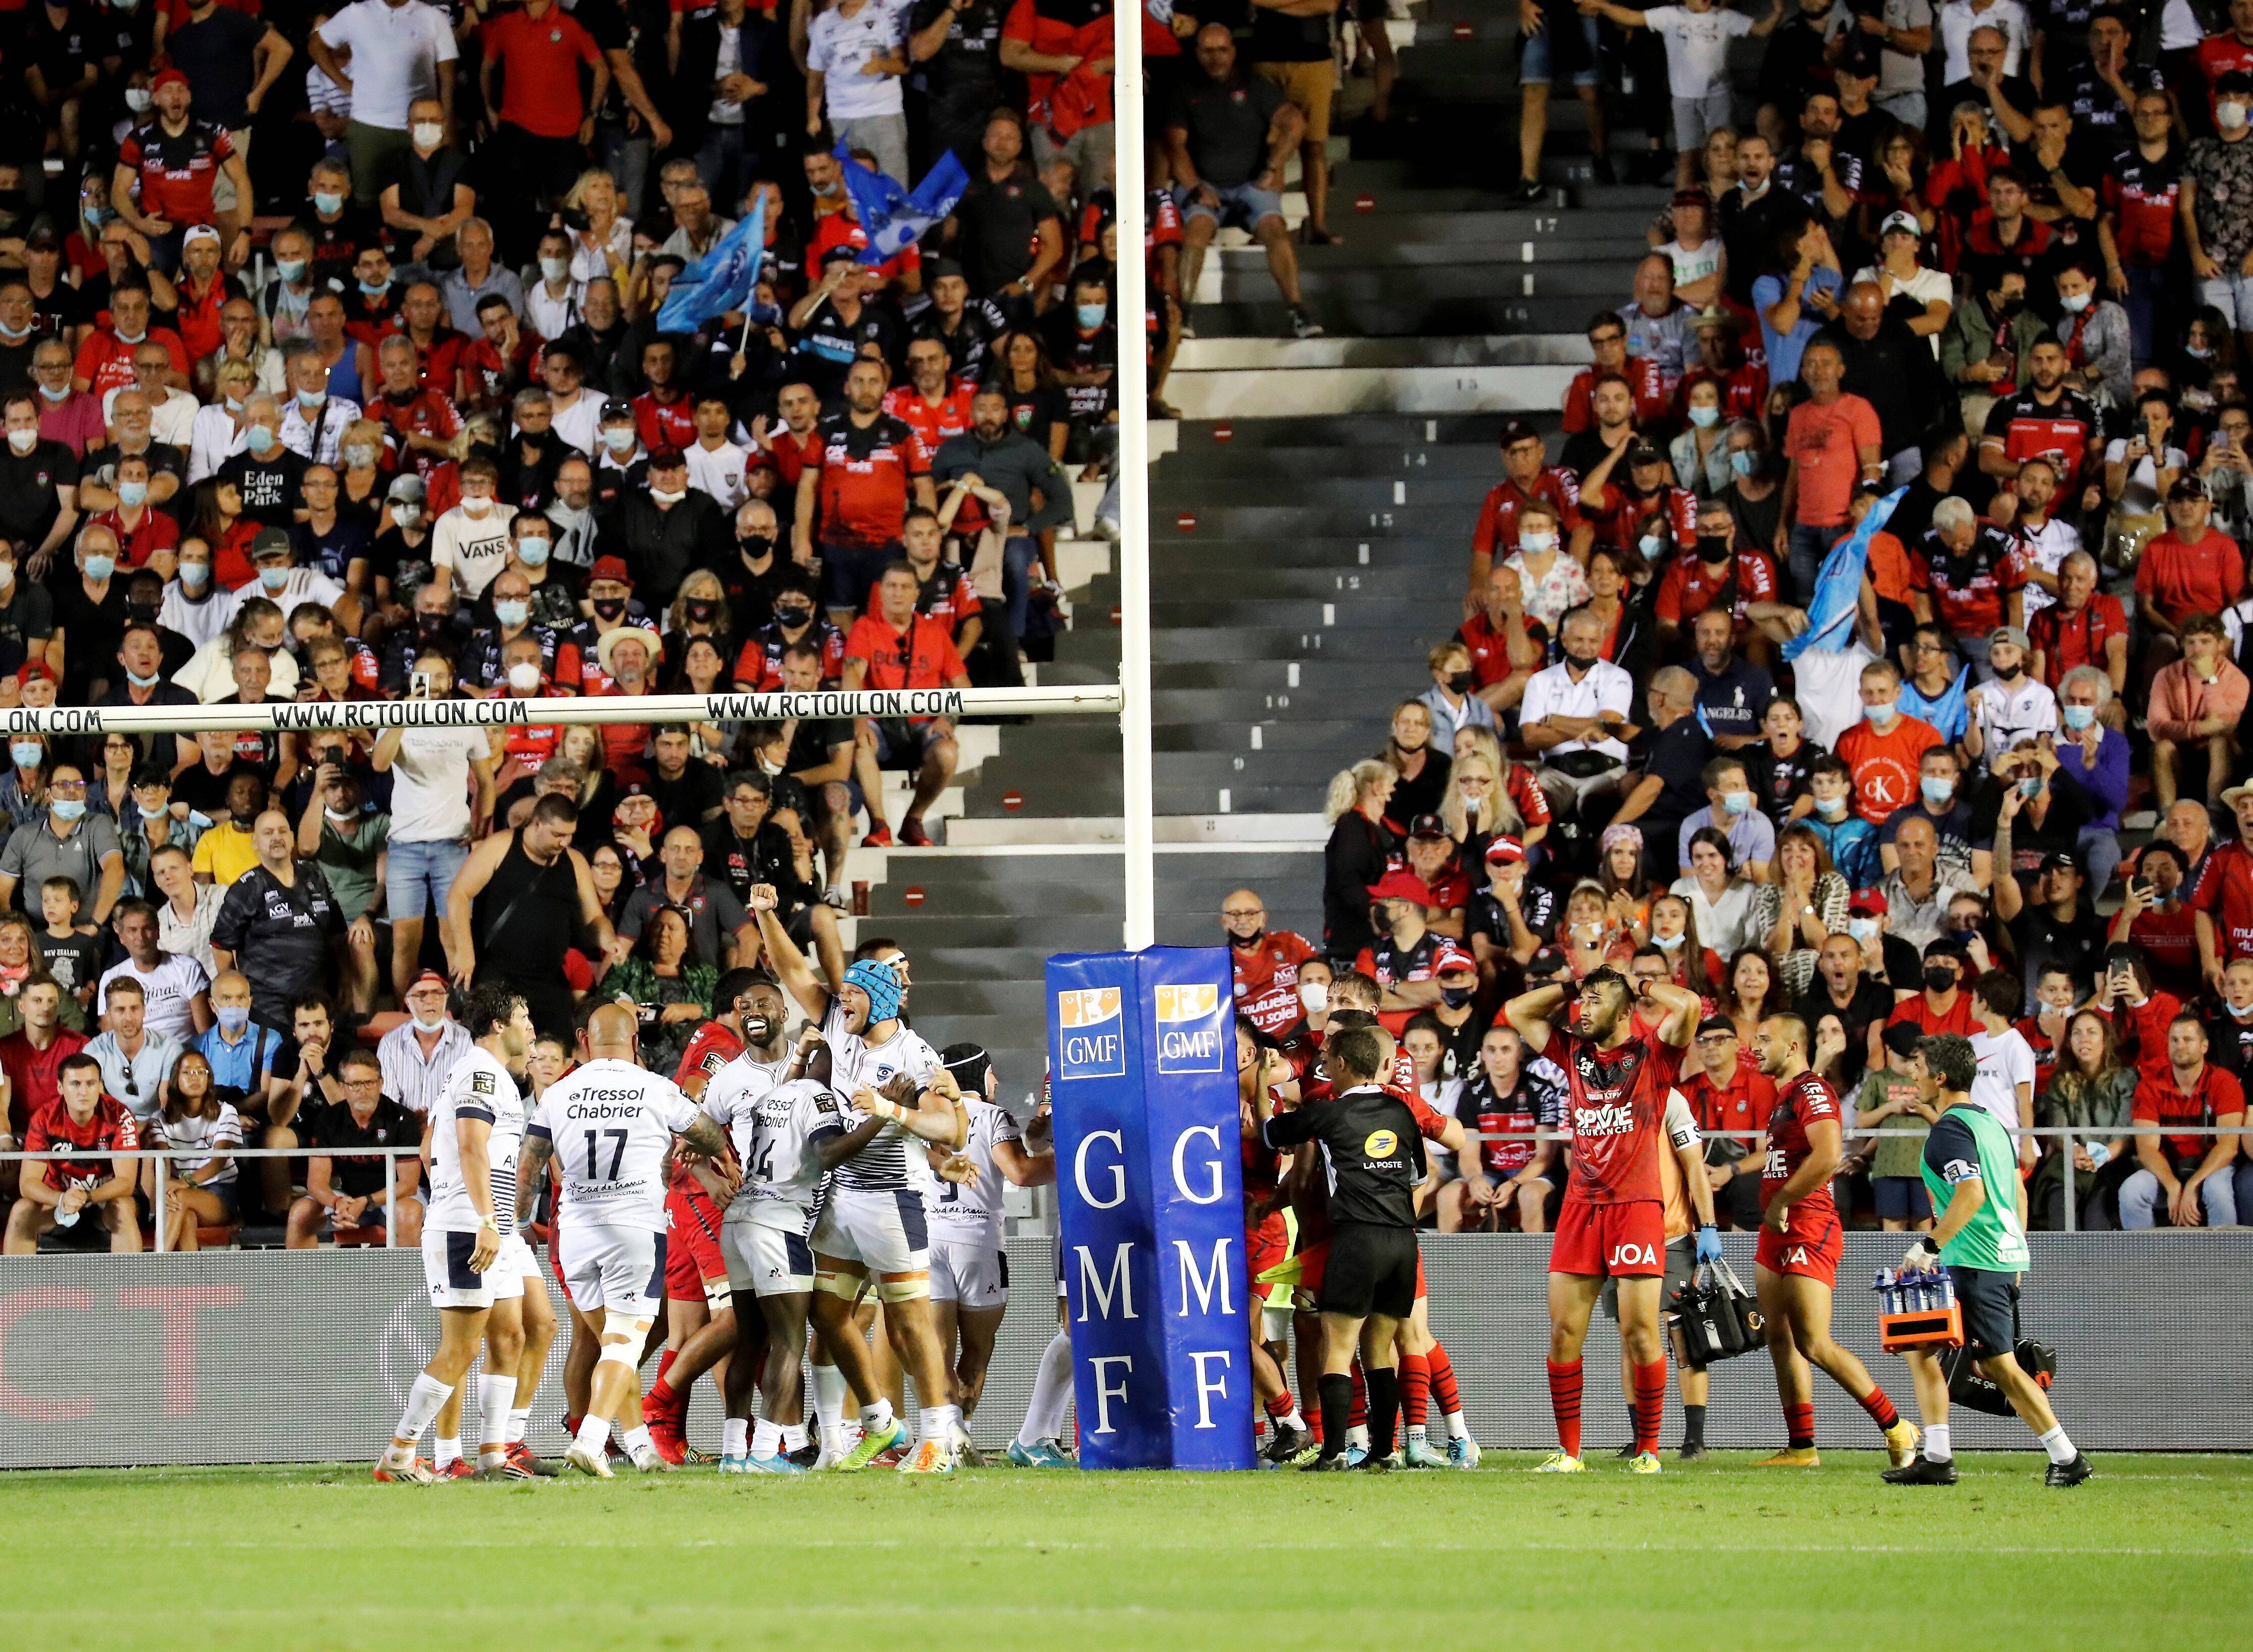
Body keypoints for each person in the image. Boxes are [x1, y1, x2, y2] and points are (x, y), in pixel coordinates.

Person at [1504, 967, 1704, 1473]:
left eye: (1596, 1002)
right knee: (1563, 1333)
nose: (1583, 1010)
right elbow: (1517, 1011)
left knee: (1640, 1333)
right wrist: (1573, 986)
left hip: (1636, 1208)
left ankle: (1648, 1451)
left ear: (1624, 1011)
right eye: (1582, 1001)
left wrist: (1641, 986)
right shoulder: (1574, 1053)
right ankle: (1569, 1453)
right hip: (1579, 1208)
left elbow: (1690, 1006)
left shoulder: (1653, 1056)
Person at [1885, 1032, 2094, 1487]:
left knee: (1999, 1365)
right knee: (1920, 1346)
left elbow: (1971, 1193)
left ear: (1940, 1077)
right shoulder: (1990, 1124)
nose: (1913, 1075)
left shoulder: (1950, 1131)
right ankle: (1937, 1457)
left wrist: (1928, 1246)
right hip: (1994, 1258)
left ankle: (2067, 1456)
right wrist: (2016, 1253)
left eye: (1919, 1068)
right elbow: (2017, 1193)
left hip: (1972, 1260)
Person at [1750, 1010, 1921, 1466]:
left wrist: (1782, 1200)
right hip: (1775, 1230)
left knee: (1813, 1343)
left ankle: (1897, 1427)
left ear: (1792, 1046)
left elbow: (1828, 1154)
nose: (1754, 1047)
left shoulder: (1811, 1090)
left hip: (1808, 1223)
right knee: (1780, 1338)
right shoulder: (1786, 1094)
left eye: (1764, 1039)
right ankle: (1801, 1447)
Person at [287, 1045, 425, 1249]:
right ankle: (303, 1272)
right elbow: (316, 1183)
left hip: (395, 1197)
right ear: (342, 1088)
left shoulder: (402, 1118)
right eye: (355, 1085)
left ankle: (408, 1272)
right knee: (300, 1213)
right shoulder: (328, 1120)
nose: (363, 1091)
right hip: (347, 1196)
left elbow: (408, 1184)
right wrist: (337, 1202)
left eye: (369, 1083)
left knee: (409, 1213)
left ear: (381, 1084)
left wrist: (366, 1201)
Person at [4, 1051, 140, 1254]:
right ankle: (18, 1277)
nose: (83, 1092)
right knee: (21, 1211)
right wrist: (61, 1200)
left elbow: (126, 1183)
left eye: (91, 1084)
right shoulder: (44, 1118)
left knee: (124, 1207)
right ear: (60, 1087)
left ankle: (129, 1276)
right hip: (59, 1202)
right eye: (75, 1084)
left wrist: (88, 1196)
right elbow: (28, 1183)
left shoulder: (120, 1115)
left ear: (100, 1086)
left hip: (104, 1201)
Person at [2120, 1014, 2244, 1229]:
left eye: (2188, 1040)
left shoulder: (2225, 1082)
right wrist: (2173, 1186)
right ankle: (2142, 1253)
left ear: (2204, 1046)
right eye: (2174, 1040)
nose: (2180, 1046)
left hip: (2212, 1167)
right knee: (2131, 1191)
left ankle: (2225, 1252)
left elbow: (2228, 1146)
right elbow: (2147, 1149)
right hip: (2168, 1168)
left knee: (2218, 1191)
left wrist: (2193, 1185)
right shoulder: (2149, 1085)